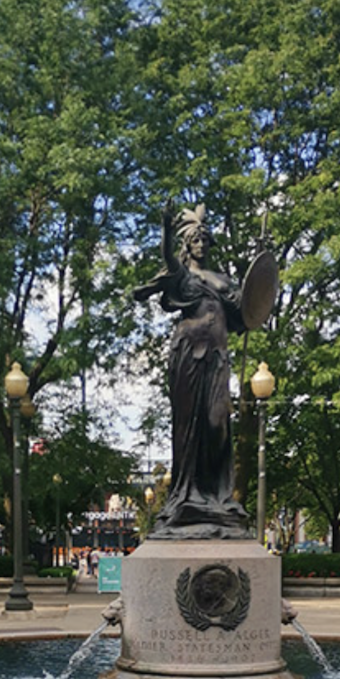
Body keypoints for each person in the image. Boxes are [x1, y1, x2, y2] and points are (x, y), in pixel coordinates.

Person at [134, 203, 253, 540]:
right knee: (189, 427)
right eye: (195, 240)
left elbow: (249, 311)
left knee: (218, 424)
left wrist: (260, 269)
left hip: (217, 358)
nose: (201, 244)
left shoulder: (223, 280)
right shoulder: (183, 276)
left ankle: (218, 496)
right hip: (188, 353)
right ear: (187, 245)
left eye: (204, 239)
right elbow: (168, 260)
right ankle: (190, 495)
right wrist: (167, 230)